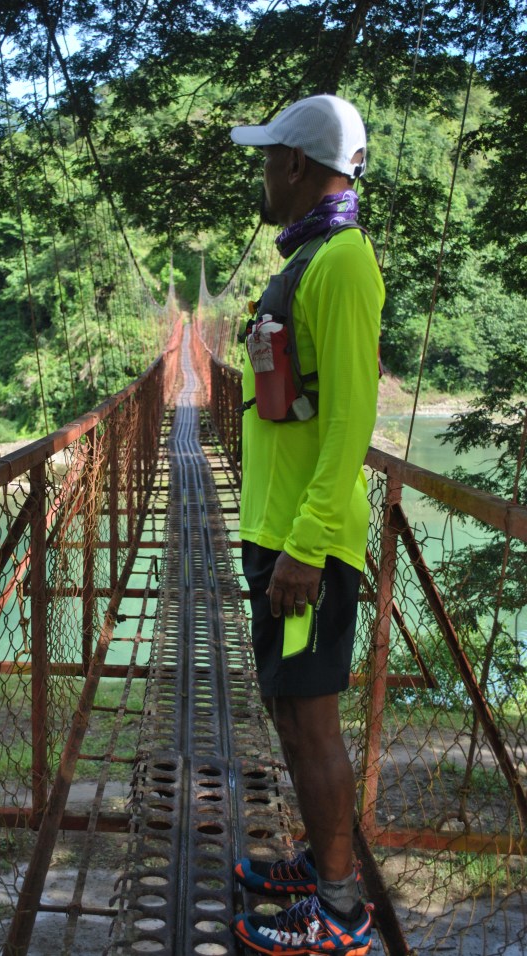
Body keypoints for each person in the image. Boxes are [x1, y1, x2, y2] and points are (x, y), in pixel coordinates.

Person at [228, 94, 384, 955]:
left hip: (304, 547)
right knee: (290, 712)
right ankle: (314, 863)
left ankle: (340, 912)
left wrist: (307, 547)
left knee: (312, 719)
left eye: (268, 156)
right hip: (278, 534)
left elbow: (350, 423)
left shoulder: (344, 264)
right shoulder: (310, 255)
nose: (264, 171)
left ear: (294, 163)